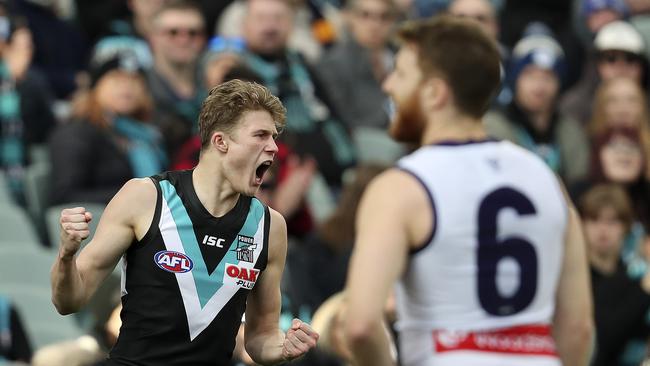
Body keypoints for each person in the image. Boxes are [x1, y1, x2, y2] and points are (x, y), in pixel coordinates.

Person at [343, 15, 593, 366]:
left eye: (399, 73)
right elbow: (578, 328)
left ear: (435, 92)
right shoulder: (547, 180)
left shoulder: (400, 188)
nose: (388, 86)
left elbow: (360, 326)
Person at [50, 79, 319, 365]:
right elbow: (69, 302)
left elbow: (260, 337)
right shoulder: (147, 197)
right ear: (221, 142)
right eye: (261, 135)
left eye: (274, 137)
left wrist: (283, 348)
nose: (274, 147)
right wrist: (66, 255)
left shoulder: (270, 227)